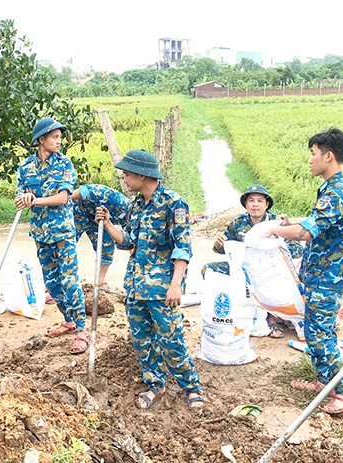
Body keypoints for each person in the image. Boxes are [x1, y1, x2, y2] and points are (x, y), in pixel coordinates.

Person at [95, 149, 205, 410]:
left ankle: (191, 386)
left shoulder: (173, 204)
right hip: (136, 287)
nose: (123, 178)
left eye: (126, 174)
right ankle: (155, 382)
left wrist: (176, 284)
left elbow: (183, 248)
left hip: (162, 289)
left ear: (142, 175)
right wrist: (109, 225)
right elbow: (129, 241)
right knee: (142, 340)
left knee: (171, 339)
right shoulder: (136, 205)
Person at [261, 128, 343, 413]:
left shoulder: (337, 190)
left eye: (313, 155)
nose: (310, 161)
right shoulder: (330, 188)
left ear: (328, 156)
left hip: (329, 276)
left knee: (320, 334)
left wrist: (273, 229)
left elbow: (305, 233)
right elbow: (315, 224)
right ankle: (326, 381)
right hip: (321, 274)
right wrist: (291, 224)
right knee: (316, 331)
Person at [15, 117, 87, 354]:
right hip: (40, 234)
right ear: (41, 140)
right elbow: (19, 198)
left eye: (59, 137)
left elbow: (64, 198)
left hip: (63, 232)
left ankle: (82, 331)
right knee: (53, 285)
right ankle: (68, 320)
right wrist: (24, 198)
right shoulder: (25, 167)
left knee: (69, 281)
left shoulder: (64, 164)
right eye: (54, 137)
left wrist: (35, 200)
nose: (59, 141)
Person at [202, 184, 303, 338]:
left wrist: (275, 244)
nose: (255, 205)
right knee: (209, 269)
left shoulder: (276, 223)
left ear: (266, 204)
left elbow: (296, 250)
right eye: (251, 201)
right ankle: (230, 310)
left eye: (260, 201)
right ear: (246, 204)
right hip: (244, 271)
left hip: (268, 273)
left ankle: (272, 317)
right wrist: (218, 245)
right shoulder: (238, 222)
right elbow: (225, 249)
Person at [69, 184, 131, 292]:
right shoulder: (115, 199)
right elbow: (84, 190)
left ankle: (100, 282)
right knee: (66, 245)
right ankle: (57, 285)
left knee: (107, 248)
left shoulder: (131, 220)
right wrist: (62, 203)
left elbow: (131, 242)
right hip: (78, 212)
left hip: (101, 221)